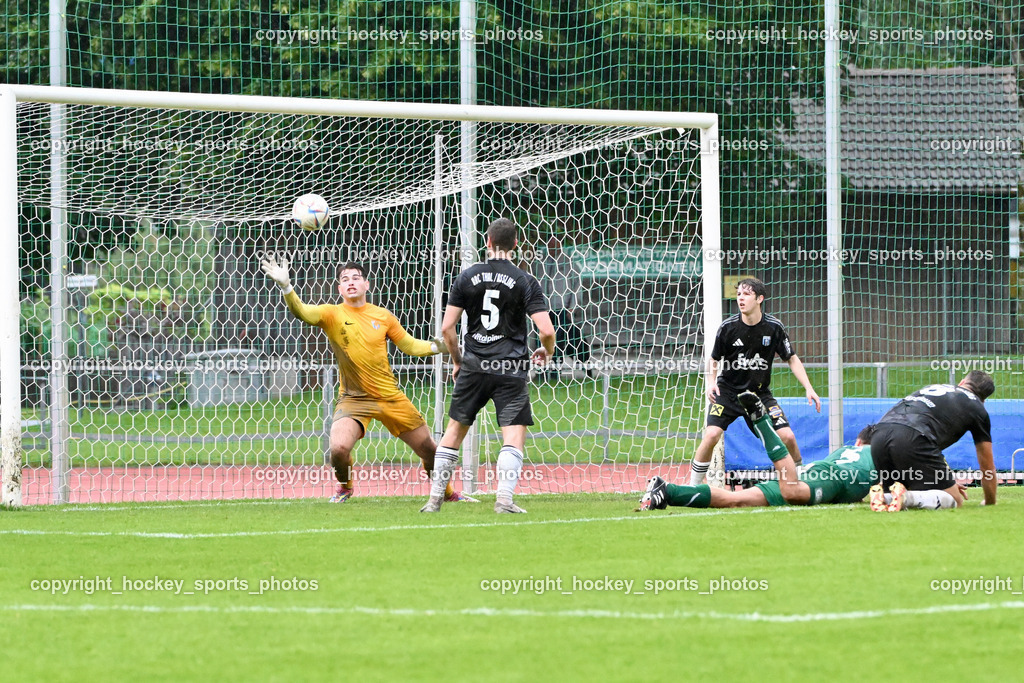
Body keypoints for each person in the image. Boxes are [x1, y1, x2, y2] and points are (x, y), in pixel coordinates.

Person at [260, 257, 475, 504]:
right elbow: (303, 312)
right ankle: (345, 488)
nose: (350, 283)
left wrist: (435, 348)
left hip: (390, 398)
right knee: (338, 449)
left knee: (430, 450)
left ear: (366, 285)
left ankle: (447, 494)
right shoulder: (332, 314)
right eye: (344, 280)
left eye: (355, 278)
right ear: (339, 289)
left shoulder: (383, 316)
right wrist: (287, 287)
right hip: (354, 399)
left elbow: (409, 345)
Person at [420, 218, 556, 514]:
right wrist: (546, 352)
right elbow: (546, 331)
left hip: (474, 365)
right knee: (514, 433)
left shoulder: (466, 276)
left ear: (488, 242)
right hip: (509, 368)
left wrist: (457, 361)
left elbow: (447, 328)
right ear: (516, 245)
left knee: (453, 431)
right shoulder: (525, 281)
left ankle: (434, 501)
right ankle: (504, 501)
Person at [638, 391, 968, 511]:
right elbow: (916, 477)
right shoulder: (887, 456)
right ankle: (763, 424)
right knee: (791, 491)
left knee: (736, 498)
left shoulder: (848, 449)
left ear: (857, 441)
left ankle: (665, 491)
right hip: (836, 481)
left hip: (815, 471)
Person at [687, 277, 820, 486]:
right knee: (711, 434)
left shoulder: (774, 327)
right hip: (728, 393)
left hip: (759, 396)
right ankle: (692, 486)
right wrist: (712, 382)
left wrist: (809, 388)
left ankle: (800, 480)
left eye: (746, 294)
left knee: (788, 437)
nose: (741, 298)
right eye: (739, 293)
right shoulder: (728, 328)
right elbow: (714, 359)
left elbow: (791, 358)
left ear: (759, 299)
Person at [868, 370, 996, 509]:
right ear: (983, 400)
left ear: (962, 382)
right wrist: (990, 501)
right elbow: (987, 466)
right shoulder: (977, 408)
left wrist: (942, 482)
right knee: (955, 500)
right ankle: (907, 497)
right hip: (913, 438)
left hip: (879, 434)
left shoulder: (933, 387)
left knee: (894, 501)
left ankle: (883, 497)